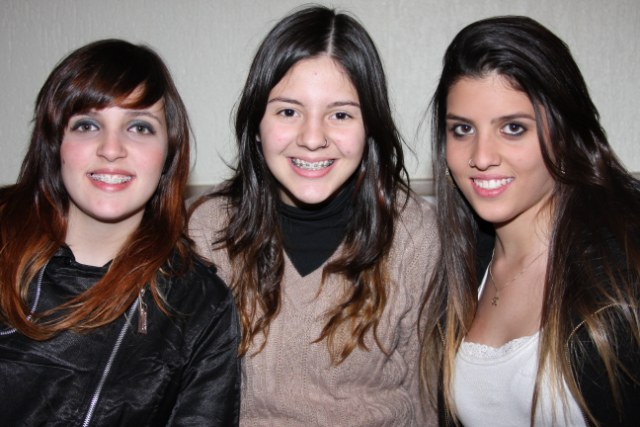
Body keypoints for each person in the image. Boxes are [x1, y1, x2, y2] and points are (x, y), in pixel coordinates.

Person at [189, 5, 438, 426]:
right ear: (256, 124)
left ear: (369, 127)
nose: (312, 138)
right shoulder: (207, 228)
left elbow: (426, 397)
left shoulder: (414, 235)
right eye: (288, 111)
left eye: (340, 114)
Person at [0, 39, 240, 425]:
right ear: (55, 143)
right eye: (87, 124)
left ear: (169, 154)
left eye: (139, 127)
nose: (111, 149)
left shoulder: (199, 306)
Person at [419, 15, 640, 426]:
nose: (482, 157)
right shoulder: (459, 264)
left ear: (565, 133)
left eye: (513, 128)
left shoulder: (626, 260)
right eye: (463, 129)